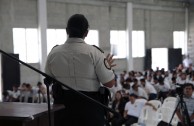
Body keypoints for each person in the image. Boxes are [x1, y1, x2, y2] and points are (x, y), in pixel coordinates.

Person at [45, 14, 116, 126]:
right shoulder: (95, 53)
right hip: (90, 111)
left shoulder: (54, 53)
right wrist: (108, 67)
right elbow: (109, 83)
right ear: (86, 33)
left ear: (67, 30)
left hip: (63, 111)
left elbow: (48, 79)